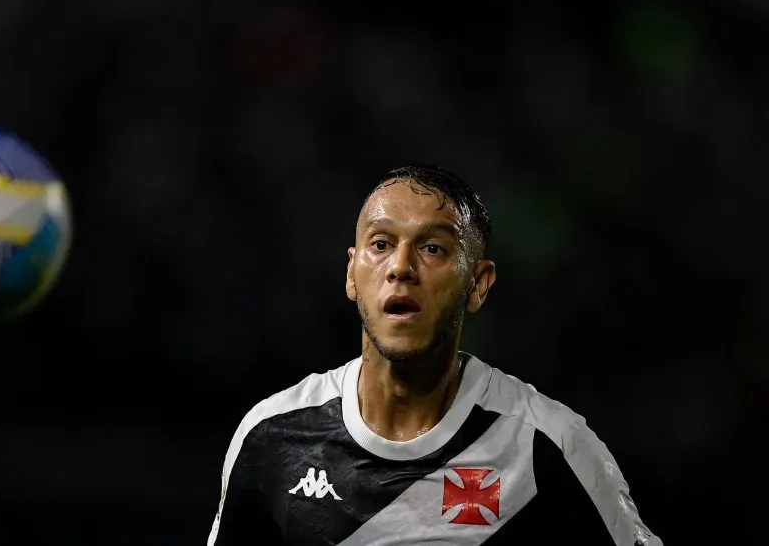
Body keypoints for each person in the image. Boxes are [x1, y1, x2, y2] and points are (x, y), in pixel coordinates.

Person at [206, 165, 662, 546]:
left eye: (432, 249)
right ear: (351, 273)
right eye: (381, 245)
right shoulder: (273, 436)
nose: (401, 268)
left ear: (478, 284)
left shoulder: (550, 445)